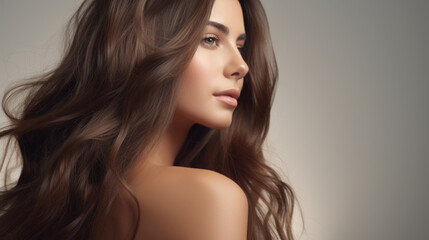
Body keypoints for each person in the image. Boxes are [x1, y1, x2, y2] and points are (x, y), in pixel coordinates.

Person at [0, 0, 299, 239]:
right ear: (146, 47)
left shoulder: (79, 196)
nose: (242, 65)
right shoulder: (210, 198)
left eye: (240, 45)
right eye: (210, 39)